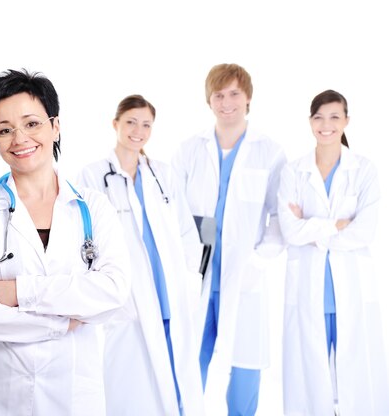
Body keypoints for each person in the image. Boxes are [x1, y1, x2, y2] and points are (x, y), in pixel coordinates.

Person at [0, 69, 130, 416]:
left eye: (31, 124)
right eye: (4, 130)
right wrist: (60, 320)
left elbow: (113, 292)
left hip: (71, 395)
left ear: (55, 126)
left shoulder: (93, 207)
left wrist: (19, 292)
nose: (19, 138)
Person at [77, 94, 205, 415]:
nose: (138, 130)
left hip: (169, 294)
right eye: (131, 122)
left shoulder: (162, 174)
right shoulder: (93, 176)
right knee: (133, 389)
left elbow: (188, 233)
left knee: (178, 382)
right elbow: (83, 241)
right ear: (115, 124)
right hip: (127, 299)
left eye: (146, 124)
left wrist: (191, 280)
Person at [171, 63, 287, 415]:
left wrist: (258, 260)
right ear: (209, 101)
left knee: (246, 364)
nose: (226, 102)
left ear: (248, 97)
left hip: (244, 274)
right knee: (190, 361)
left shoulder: (269, 151)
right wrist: (192, 254)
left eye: (234, 93)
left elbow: (279, 217)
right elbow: (174, 210)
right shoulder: (190, 149)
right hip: (200, 270)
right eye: (218, 95)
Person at [277, 89, 389, 415]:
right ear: (310, 122)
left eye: (334, 117)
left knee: (357, 376)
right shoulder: (293, 171)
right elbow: (289, 231)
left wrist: (311, 228)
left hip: (350, 289)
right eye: (319, 117)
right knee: (308, 378)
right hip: (307, 290)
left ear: (346, 121)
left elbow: (365, 232)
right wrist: (336, 225)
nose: (326, 125)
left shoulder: (364, 170)